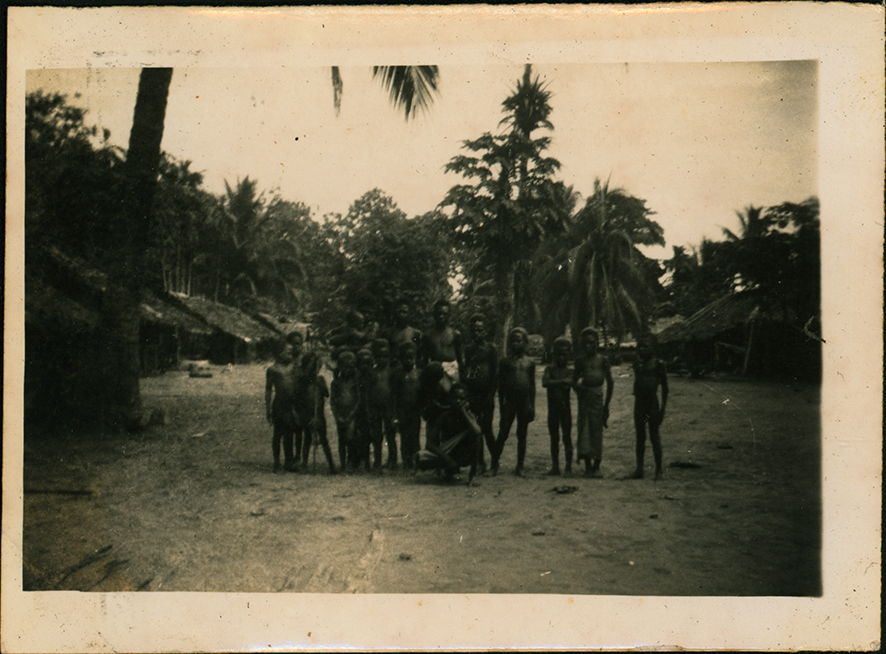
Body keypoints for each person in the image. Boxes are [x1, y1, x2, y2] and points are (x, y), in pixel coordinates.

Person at [492, 327, 536, 476]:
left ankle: (520, 466)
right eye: (513, 341)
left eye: (519, 341)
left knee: (522, 433)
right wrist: (502, 405)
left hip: (524, 402)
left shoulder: (530, 362)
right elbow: (501, 387)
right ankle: (494, 465)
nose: (515, 344)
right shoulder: (505, 362)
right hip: (509, 402)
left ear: (525, 343)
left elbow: (532, 386)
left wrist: (532, 405)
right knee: (503, 433)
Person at [418, 384, 482, 484]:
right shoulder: (443, 417)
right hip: (448, 454)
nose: (458, 401)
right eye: (455, 398)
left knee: (476, 437)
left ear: (466, 400)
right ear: (449, 398)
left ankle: (472, 476)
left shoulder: (469, 416)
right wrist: (448, 460)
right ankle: (448, 472)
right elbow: (430, 444)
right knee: (420, 458)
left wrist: (464, 411)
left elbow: (477, 432)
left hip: (464, 454)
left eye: (462, 399)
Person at [625, 334, 668, 480]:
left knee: (654, 436)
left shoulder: (658, 365)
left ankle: (659, 470)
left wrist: (662, 409)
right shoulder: (637, 365)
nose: (641, 349)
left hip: (652, 404)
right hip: (640, 404)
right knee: (640, 437)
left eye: (645, 346)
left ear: (653, 348)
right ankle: (639, 469)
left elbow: (665, 389)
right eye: (639, 346)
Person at [573, 327, 614, 478]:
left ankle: (597, 465)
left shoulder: (602, 360)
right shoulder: (580, 360)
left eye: (590, 343)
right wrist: (579, 390)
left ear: (597, 343)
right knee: (584, 430)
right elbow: (574, 380)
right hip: (584, 398)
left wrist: (606, 405)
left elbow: (610, 382)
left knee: (596, 430)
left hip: (598, 398)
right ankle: (587, 466)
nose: (587, 346)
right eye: (584, 344)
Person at [462, 313, 498, 473]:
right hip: (474, 393)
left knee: (487, 428)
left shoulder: (491, 349)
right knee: (475, 429)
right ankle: (479, 462)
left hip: (487, 393)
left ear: (485, 331)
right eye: (474, 330)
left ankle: (495, 462)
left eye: (480, 330)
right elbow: (468, 370)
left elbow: (494, 373)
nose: (477, 333)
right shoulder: (469, 350)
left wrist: (491, 394)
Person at [296, 352, 337, 475]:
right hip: (307, 413)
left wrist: (320, 385)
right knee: (307, 438)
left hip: (319, 414)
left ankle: (331, 465)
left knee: (323, 439)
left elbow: (326, 394)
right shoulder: (302, 381)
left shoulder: (320, 380)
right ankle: (304, 464)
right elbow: (298, 397)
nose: (314, 369)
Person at [542, 336, 574, 476]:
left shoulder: (570, 371)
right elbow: (545, 382)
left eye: (564, 354)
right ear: (553, 354)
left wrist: (556, 382)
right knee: (554, 438)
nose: (561, 357)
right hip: (553, 410)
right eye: (558, 354)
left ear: (568, 355)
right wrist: (562, 382)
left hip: (565, 409)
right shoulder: (550, 368)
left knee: (567, 437)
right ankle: (555, 466)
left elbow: (569, 382)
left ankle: (568, 466)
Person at [265, 341, 298, 472]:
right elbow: (268, 390)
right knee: (278, 434)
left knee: (289, 434)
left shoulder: (294, 367)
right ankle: (277, 462)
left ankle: (289, 461)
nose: (291, 355)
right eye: (288, 352)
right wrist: (268, 409)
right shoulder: (273, 370)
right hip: (279, 404)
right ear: (280, 353)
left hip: (291, 404)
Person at [391, 341, 423, 471]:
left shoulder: (419, 373)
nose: (408, 361)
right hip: (402, 410)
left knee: (415, 436)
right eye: (405, 358)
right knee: (404, 437)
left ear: (415, 358)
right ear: (400, 359)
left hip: (415, 410)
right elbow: (395, 395)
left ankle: (417, 462)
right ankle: (406, 462)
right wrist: (395, 414)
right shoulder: (398, 374)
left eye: (411, 358)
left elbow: (421, 393)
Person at [370, 338, 398, 470]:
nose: (382, 359)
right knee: (376, 435)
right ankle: (377, 461)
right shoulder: (372, 372)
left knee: (390, 434)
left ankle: (393, 460)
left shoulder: (392, 372)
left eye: (385, 356)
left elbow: (394, 392)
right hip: (375, 407)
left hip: (389, 407)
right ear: (374, 357)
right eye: (379, 356)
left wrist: (394, 410)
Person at [421, 299, 463, 383]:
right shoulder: (428, 335)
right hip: (434, 371)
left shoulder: (455, 334)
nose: (441, 316)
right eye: (439, 313)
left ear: (448, 315)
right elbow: (425, 359)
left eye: (444, 314)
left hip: (451, 371)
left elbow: (460, 359)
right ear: (434, 314)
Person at [330, 350, 359, 471]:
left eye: (351, 367)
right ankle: (342, 464)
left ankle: (350, 462)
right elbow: (332, 401)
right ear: (340, 367)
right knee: (341, 439)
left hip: (352, 414)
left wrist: (351, 415)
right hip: (340, 414)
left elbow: (359, 400)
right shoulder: (336, 382)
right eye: (346, 367)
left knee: (351, 438)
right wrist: (337, 416)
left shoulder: (355, 382)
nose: (348, 370)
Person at [353, 347, 378, 471]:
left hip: (373, 410)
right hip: (360, 410)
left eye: (367, 363)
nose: (364, 366)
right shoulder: (356, 377)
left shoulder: (374, 376)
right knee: (362, 437)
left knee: (374, 436)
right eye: (361, 363)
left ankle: (374, 463)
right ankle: (363, 461)